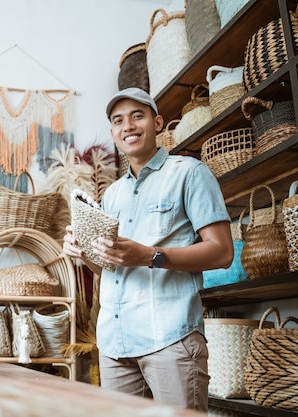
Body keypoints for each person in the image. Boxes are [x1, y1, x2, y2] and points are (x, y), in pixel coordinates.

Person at [63, 87, 233, 412]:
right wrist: (84, 253)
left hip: (170, 338)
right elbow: (111, 268)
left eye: (137, 116)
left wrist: (149, 255)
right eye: (118, 120)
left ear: (157, 123)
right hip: (115, 343)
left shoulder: (189, 173)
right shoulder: (111, 195)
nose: (128, 126)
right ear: (113, 132)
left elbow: (222, 252)